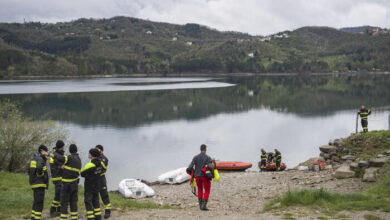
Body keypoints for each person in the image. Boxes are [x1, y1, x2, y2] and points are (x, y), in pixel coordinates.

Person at [50, 144, 81, 220]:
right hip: (74, 184)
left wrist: (48, 154)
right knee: (73, 203)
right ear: (76, 150)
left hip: (66, 184)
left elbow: (60, 158)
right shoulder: (78, 159)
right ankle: (74, 218)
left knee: (64, 202)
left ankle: (63, 217)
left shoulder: (68, 157)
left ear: (70, 150)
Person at [187, 144, 214, 211]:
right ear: (205, 149)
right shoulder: (208, 157)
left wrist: (192, 174)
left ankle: (200, 205)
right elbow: (211, 167)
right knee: (207, 190)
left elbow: (190, 167)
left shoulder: (195, 157)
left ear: (200, 149)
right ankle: (204, 206)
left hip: (197, 176)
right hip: (205, 176)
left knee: (200, 190)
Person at [81, 148, 104, 220]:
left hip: (89, 186)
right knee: (96, 201)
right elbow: (102, 171)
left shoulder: (90, 164)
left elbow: (82, 173)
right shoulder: (101, 163)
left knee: (88, 201)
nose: (88, 155)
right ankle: (98, 217)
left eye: (89, 153)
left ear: (91, 155)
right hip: (97, 185)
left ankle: (90, 217)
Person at [29, 145, 49, 220]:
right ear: (42, 151)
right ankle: (37, 218)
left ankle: (33, 217)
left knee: (36, 202)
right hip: (39, 184)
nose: (46, 153)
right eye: (45, 151)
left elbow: (29, 171)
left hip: (34, 184)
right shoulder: (40, 159)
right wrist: (41, 174)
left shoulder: (34, 158)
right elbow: (40, 167)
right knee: (39, 203)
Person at [50, 140, 65, 217]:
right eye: (63, 146)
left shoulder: (59, 154)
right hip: (57, 177)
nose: (64, 148)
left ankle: (59, 209)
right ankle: (52, 210)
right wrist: (60, 166)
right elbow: (55, 167)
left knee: (61, 194)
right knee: (58, 195)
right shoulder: (54, 155)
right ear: (61, 147)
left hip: (61, 177)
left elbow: (62, 163)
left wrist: (61, 165)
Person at [96, 145, 111, 219]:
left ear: (100, 150)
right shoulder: (94, 158)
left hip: (101, 179)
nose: (95, 150)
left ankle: (108, 211)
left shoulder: (104, 158)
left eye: (97, 149)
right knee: (95, 196)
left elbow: (102, 167)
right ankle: (96, 212)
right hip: (95, 179)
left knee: (104, 195)